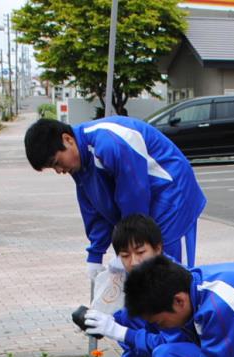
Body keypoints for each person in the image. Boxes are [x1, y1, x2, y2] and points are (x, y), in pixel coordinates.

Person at [24, 116, 206, 284]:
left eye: (56, 162)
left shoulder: (111, 143)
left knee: (168, 273)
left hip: (173, 196)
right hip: (146, 201)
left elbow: (134, 194)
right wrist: (95, 255)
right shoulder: (79, 162)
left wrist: (128, 247)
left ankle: (178, 316)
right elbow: (95, 207)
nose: (59, 171)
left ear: (68, 140)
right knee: (141, 271)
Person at [81, 214, 198, 357]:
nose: (134, 262)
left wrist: (122, 333)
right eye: (125, 256)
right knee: (125, 318)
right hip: (185, 350)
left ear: (158, 248)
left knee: (163, 354)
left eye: (140, 252)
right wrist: (105, 322)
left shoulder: (171, 284)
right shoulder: (144, 283)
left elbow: (170, 340)